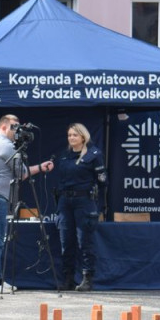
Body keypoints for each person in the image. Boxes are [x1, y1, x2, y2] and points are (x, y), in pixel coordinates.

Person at [0, 114, 54, 294]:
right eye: (14, 127)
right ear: (3, 127)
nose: (18, 131)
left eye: (19, 127)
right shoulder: (5, 145)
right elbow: (22, 174)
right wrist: (41, 167)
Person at [52, 122, 106, 292]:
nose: (71, 138)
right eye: (69, 135)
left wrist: (100, 207)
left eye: (75, 135)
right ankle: (68, 279)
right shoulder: (63, 156)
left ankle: (87, 279)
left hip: (84, 201)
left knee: (85, 241)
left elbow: (103, 182)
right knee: (66, 241)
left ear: (83, 137)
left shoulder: (94, 154)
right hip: (65, 202)